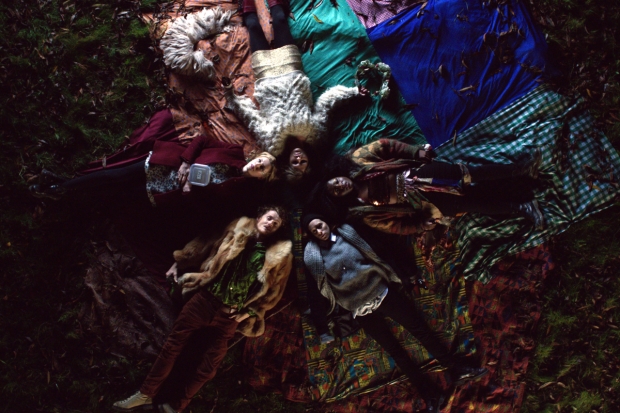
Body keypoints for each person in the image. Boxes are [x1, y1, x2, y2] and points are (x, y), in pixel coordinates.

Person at [112, 205, 293, 413]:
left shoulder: (279, 256)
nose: (270, 223)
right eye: (269, 218)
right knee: (172, 346)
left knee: (209, 367)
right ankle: (145, 394)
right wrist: (179, 262)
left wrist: (249, 313)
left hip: (229, 315)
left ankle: (175, 407)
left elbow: (274, 291)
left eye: (275, 223)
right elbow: (205, 244)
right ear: (260, 216)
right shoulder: (237, 228)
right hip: (204, 301)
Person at [302, 212, 488, 412]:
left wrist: (408, 271)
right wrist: (322, 328)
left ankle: (455, 368)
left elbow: (382, 249)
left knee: (419, 329)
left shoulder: (348, 232)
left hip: (381, 291)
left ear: (326, 222)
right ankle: (430, 394)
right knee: (395, 351)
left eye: (320, 225)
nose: (319, 231)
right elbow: (315, 292)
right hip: (359, 308)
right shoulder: (313, 257)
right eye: (314, 230)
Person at [224, 0, 367, 158]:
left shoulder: (272, 146)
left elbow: (251, 117)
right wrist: (353, 92)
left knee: (252, 25)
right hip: (291, 69)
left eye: (295, 163)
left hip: (265, 75)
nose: (298, 158)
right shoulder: (316, 136)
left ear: (287, 166)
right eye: (303, 162)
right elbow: (326, 103)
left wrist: (230, 94)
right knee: (279, 18)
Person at [313, 138, 545, 234]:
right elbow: (397, 226)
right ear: (341, 198)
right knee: (475, 203)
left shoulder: (359, 160)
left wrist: (415, 152)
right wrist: (420, 225)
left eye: (335, 182)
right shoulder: (365, 213)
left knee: (471, 174)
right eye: (337, 191)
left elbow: (385, 146)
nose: (340, 185)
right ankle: (523, 207)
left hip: (421, 174)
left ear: (336, 174)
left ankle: (522, 169)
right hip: (425, 204)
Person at [29, 133, 277, 206]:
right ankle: (58, 187)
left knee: (110, 195)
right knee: (111, 176)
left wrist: (189, 190)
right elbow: (201, 140)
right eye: (260, 161)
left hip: (165, 189)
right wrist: (186, 162)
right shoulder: (234, 152)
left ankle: (59, 184)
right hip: (166, 164)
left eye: (261, 169)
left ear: (261, 177)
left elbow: (208, 206)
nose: (257, 165)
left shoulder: (238, 192)